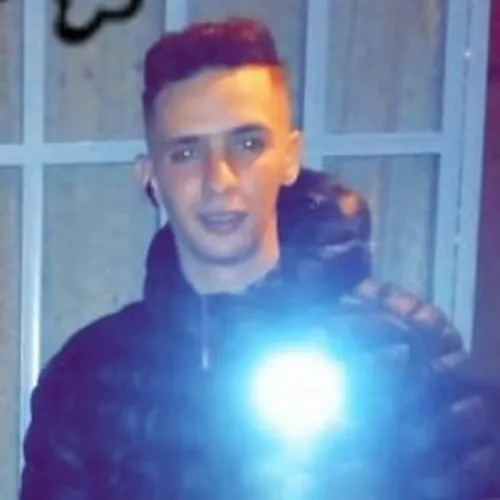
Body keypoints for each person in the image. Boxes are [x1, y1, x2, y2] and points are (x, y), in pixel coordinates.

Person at [19, 17, 498, 500]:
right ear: (151, 177)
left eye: (248, 144)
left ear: (290, 157)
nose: (220, 179)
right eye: (186, 153)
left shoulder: (408, 349)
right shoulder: (85, 379)